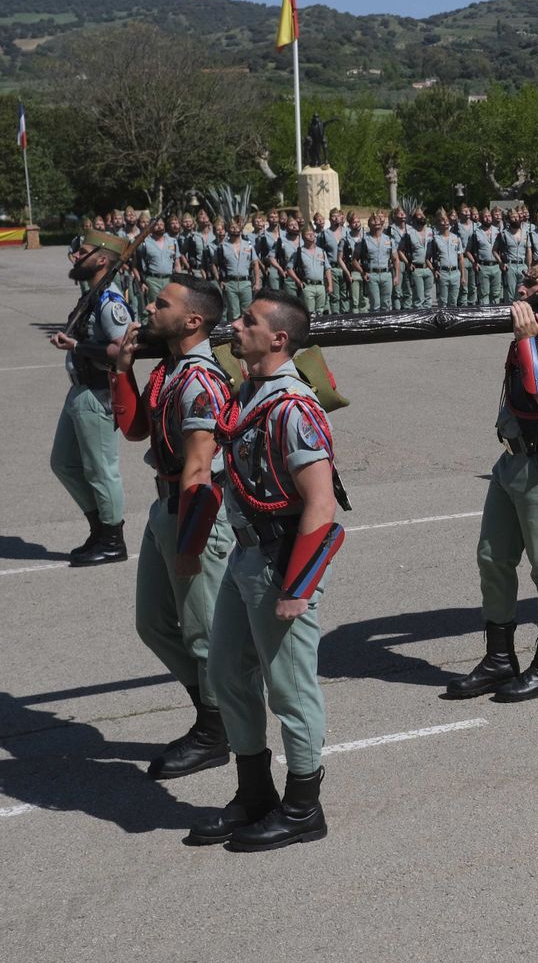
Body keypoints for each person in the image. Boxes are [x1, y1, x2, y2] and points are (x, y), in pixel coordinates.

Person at [189, 290, 347, 851]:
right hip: (246, 555)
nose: (236, 324)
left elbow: (321, 504)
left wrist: (297, 589)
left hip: (281, 562)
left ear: (278, 338)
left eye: (248, 320)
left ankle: (304, 807)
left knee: (289, 688)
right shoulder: (250, 391)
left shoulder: (293, 407)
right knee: (228, 672)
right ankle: (255, 795)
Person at [442, 273, 538, 703]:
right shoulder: (537, 329)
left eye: (535, 283)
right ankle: (499, 659)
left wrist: (527, 340)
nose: (523, 290)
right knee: (492, 559)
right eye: (523, 281)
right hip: (511, 462)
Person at [107, 275, 236, 779]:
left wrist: (191, 541)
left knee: (204, 634)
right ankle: (213, 714)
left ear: (192, 320)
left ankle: (217, 730)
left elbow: (200, 469)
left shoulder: (200, 379)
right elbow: (136, 428)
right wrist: (121, 368)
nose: (149, 308)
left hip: (194, 510)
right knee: (154, 623)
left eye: (161, 304)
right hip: (167, 506)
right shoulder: (169, 369)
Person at [50, 231, 135, 566]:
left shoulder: (110, 303)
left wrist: (76, 347)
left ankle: (113, 540)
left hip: (98, 393)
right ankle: (99, 528)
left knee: (101, 470)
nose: (76, 257)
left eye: (82, 252)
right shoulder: (93, 295)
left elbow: (122, 351)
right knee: (64, 464)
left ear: (102, 260)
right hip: (79, 390)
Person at [134, 218, 181, 320]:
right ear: (150, 227)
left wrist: (180, 281)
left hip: (169, 279)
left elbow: (177, 263)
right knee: (153, 308)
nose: (159, 226)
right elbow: (136, 265)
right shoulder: (144, 243)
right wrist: (141, 281)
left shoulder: (172, 241)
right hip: (152, 280)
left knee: (170, 307)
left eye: (161, 224)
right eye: (156, 224)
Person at [429, 209, 467, 307]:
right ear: (438, 223)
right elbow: (427, 258)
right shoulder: (435, 239)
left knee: (453, 302)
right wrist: (434, 270)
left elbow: (461, 258)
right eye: (442, 220)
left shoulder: (456, 238)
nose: (445, 222)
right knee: (443, 302)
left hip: (455, 273)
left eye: (446, 220)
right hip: (443, 273)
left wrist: (462, 276)